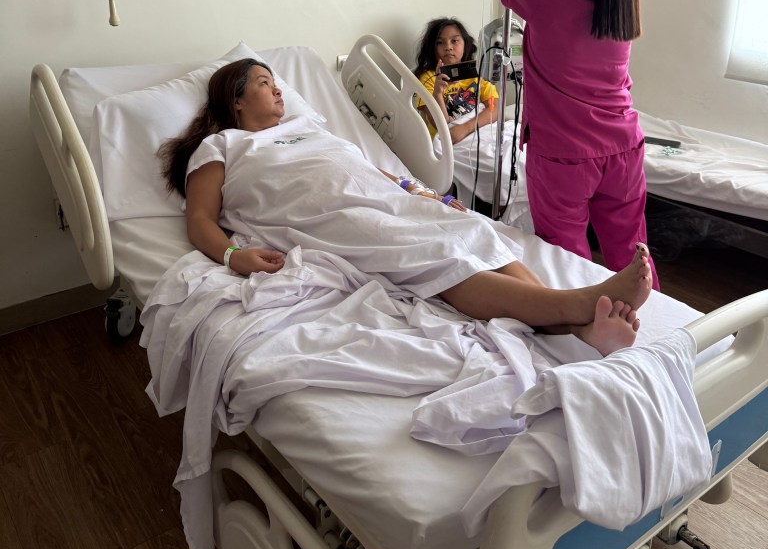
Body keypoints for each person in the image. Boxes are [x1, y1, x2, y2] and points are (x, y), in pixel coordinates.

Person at [159, 58, 654, 357]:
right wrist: (233, 257)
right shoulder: (221, 146)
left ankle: (582, 328)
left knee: (474, 232)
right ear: (236, 100)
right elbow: (199, 219)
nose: (278, 90)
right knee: (434, 255)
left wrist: (422, 194)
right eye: (264, 83)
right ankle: (576, 305)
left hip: (385, 199)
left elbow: (368, 169)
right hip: (329, 216)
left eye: (275, 81)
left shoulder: (307, 128)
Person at [467, 0, 660, 289]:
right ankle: (656, 318)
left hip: (565, 159)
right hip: (623, 149)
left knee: (567, 259)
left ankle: (582, 323)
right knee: (632, 255)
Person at [413, 17, 498, 144]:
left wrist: (465, 128)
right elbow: (440, 126)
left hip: (478, 132)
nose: (448, 47)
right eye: (440, 42)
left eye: (454, 41)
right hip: (449, 142)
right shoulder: (428, 78)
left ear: (465, 43)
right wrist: (438, 93)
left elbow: (495, 109)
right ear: (432, 48)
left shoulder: (477, 72)